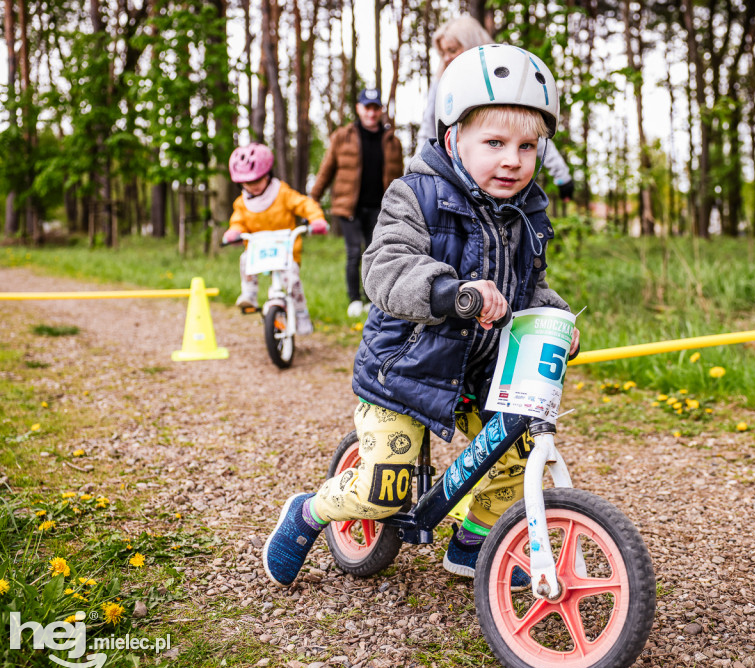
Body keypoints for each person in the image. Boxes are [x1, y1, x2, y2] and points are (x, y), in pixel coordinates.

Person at [262, 45, 581, 588]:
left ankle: (471, 543)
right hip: (405, 371)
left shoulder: (528, 211)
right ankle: (311, 511)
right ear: (454, 139)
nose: (513, 160)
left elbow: (533, 288)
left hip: (482, 373)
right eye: (496, 143)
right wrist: (455, 293)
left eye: (528, 147)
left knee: (517, 452)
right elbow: (386, 269)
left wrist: (556, 319)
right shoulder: (414, 195)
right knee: (382, 491)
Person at [416, 15, 575, 203]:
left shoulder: (504, 76)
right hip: (450, 184)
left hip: (498, 191)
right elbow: (427, 129)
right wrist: (418, 175)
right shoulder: (442, 82)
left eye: (452, 50)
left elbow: (528, 131)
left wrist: (561, 175)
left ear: (471, 42)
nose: (447, 58)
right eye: (442, 53)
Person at [310, 88, 405, 318]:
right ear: (358, 109)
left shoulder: (393, 141)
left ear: (380, 110)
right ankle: (354, 300)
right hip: (349, 207)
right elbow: (326, 171)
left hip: (380, 209)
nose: (371, 113)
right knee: (354, 253)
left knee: (376, 254)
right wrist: (311, 201)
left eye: (375, 108)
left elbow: (401, 177)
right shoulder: (342, 136)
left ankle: (373, 299)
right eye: (367, 107)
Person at [224, 142, 328, 336]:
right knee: (245, 259)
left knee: (292, 280)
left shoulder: (281, 193)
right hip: (259, 251)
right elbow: (238, 222)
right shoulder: (241, 203)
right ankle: (249, 295)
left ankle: (301, 313)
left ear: (268, 174)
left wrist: (316, 219)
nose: (253, 186)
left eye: (257, 180)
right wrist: (234, 233)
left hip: (285, 251)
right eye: (248, 182)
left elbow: (304, 204)